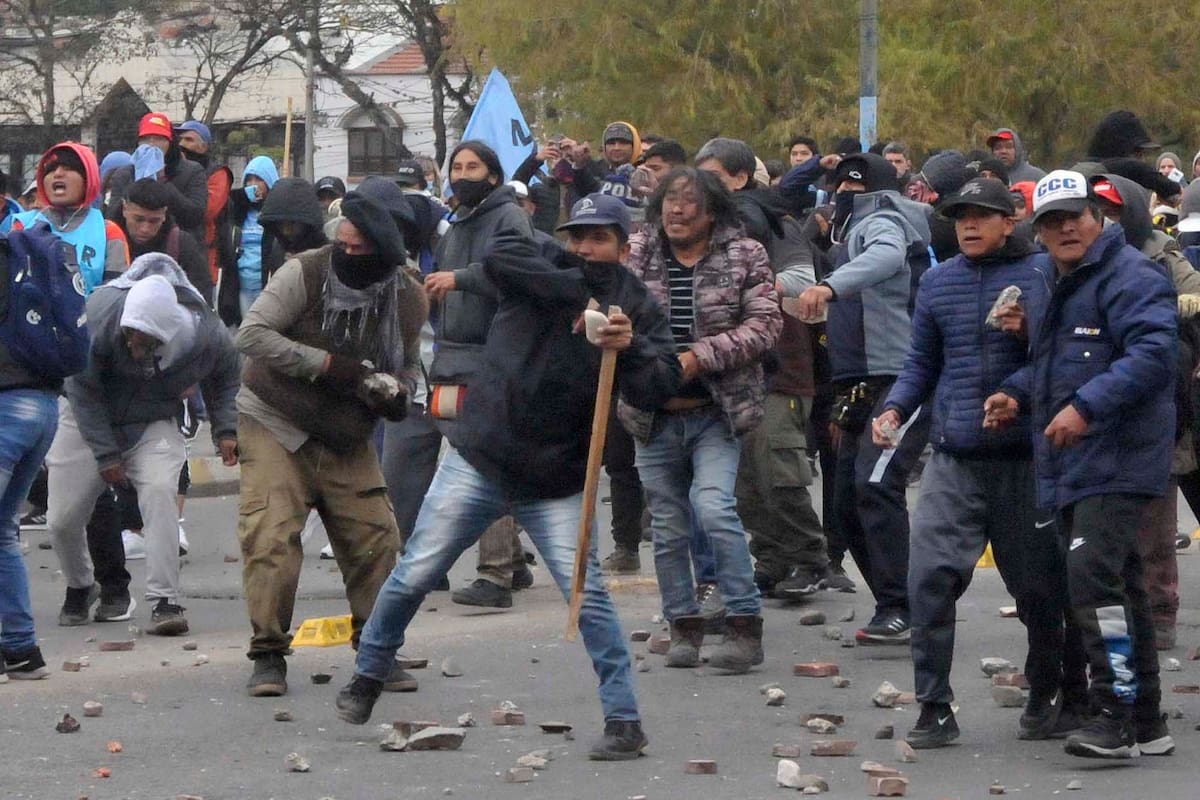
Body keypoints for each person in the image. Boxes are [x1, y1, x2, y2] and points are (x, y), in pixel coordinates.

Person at [335, 192, 680, 762]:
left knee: (587, 596)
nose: (586, 247)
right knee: (417, 569)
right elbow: (501, 257)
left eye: (600, 238)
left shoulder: (635, 307)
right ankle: (369, 672)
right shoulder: (540, 264)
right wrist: (583, 292)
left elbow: (658, 384)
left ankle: (624, 719)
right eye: (579, 236)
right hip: (483, 454)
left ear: (625, 245)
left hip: (560, 478)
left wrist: (630, 346)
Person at [872, 178, 1080, 747]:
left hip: (1025, 461)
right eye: (960, 215)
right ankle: (934, 707)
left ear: (1010, 220)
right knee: (929, 580)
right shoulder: (938, 283)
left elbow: (1073, 357)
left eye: (982, 215)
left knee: (1040, 590)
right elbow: (920, 363)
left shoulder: (1045, 275)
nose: (968, 225)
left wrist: (1020, 379)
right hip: (955, 458)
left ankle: (1045, 693)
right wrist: (893, 407)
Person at [986, 170, 1176, 760]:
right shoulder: (1048, 280)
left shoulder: (1132, 276)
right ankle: (1146, 719)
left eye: (1074, 216)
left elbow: (1154, 352)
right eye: (1050, 220)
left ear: (1099, 218)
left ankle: (1113, 716)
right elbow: (1052, 363)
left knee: (1093, 585)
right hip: (1072, 460)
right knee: (1118, 587)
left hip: (1118, 455)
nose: (1064, 228)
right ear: (1037, 231)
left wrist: (1084, 409)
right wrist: (1015, 392)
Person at [235, 191, 427, 697]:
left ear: (386, 255)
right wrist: (326, 366)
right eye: (342, 242)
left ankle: (377, 649)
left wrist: (398, 391)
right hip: (276, 418)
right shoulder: (305, 272)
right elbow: (251, 335)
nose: (346, 253)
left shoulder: (408, 297)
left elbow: (408, 362)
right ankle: (269, 655)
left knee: (377, 538)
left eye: (359, 249)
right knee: (272, 535)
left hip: (346, 433)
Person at [622, 167, 781, 674]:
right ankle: (682, 625)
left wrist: (699, 356)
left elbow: (764, 325)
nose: (676, 210)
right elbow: (606, 303)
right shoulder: (637, 253)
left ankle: (743, 623)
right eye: (669, 200)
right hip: (652, 416)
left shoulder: (745, 255)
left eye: (689, 201)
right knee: (667, 527)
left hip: (716, 412)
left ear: (712, 210)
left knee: (712, 509)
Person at [49, 255, 239, 636]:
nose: (134, 342)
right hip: (85, 415)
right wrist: (105, 454)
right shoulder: (100, 315)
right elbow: (83, 391)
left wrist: (226, 430)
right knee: (62, 519)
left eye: (146, 339)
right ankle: (82, 583)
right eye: (130, 333)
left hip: (152, 419)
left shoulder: (205, 335)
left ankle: (165, 600)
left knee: (159, 492)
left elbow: (227, 376)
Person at [795, 153, 932, 646]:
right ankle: (900, 605)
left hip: (901, 379)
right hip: (858, 382)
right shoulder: (846, 230)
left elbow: (887, 257)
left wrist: (829, 286)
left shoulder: (885, 221)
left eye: (855, 187)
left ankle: (904, 605)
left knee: (876, 485)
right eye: (839, 187)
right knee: (846, 505)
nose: (844, 194)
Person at [694, 138, 828, 599]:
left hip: (779, 367)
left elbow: (800, 280)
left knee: (779, 473)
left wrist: (741, 282)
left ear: (739, 178)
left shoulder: (774, 222)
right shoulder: (701, 231)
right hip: (726, 370)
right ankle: (771, 558)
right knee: (742, 482)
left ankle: (811, 560)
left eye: (713, 177)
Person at [415, 141, 536, 610]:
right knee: (477, 458)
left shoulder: (509, 218)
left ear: (493, 174)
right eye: (457, 167)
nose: (463, 174)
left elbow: (521, 273)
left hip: (495, 355)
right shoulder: (456, 224)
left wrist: (461, 279)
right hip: (456, 355)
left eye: (473, 167)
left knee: (481, 462)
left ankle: (495, 575)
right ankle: (512, 562)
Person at [107, 112, 209, 247]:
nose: (152, 144)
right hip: (132, 248)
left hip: (177, 249)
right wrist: (139, 184)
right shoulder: (124, 174)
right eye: (146, 139)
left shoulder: (192, 171)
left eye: (159, 139)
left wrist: (162, 181)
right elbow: (112, 218)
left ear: (170, 143)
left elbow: (194, 216)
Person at [115, 178, 212, 300]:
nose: (145, 229)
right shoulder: (106, 240)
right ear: (125, 209)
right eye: (138, 219)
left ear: (164, 214)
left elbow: (202, 300)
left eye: (154, 221)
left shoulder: (181, 245)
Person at [175, 120, 234, 296]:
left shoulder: (218, 174)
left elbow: (206, 210)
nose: (182, 144)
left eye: (189, 139)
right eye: (180, 139)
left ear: (204, 146)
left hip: (205, 258)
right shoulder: (174, 170)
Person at [220, 155, 279, 324]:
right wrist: (243, 198)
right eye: (249, 180)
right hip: (242, 287)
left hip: (268, 287)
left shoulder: (277, 213)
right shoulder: (238, 212)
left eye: (259, 179)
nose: (253, 184)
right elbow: (226, 202)